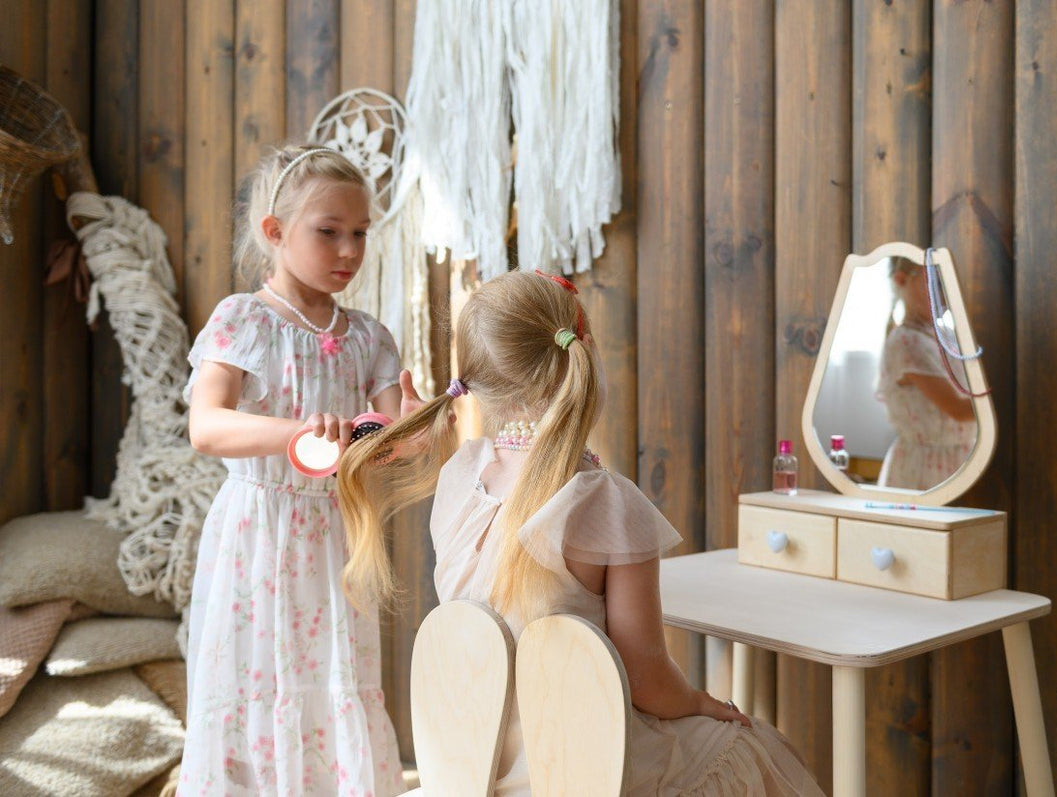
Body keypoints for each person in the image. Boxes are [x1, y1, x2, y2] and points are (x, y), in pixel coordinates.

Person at [338, 270, 824, 796]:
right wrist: (701, 702)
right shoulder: (605, 501)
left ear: (474, 384)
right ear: (582, 353)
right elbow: (646, 679)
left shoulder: (459, 475)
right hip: (577, 767)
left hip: (468, 764)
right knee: (747, 746)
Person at [179, 145, 413, 795]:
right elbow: (206, 426)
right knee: (254, 677)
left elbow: (384, 440)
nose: (349, 250)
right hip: (256, 535)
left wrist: (414, 428)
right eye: (329, 231)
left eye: (361, 233)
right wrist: (299, 434)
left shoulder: (370, 336)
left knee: (333, 676)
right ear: (275, 232)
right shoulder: (244, 319)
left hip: (336, 537)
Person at [876, 258, 977, 490]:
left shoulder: (947, 334)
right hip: (928, 467)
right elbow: (958, 409)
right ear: (901, 280)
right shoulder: (906, 342)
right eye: (936, 283)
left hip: (960, 457)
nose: (945, 293)